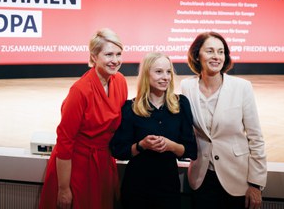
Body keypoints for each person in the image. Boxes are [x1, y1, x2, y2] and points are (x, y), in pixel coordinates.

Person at [38, 28, 128, 209]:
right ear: (94, 57)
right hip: (76, 168)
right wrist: (64, 188)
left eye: (119, 54)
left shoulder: (120, 81)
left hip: (102, 163)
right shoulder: (80, 91)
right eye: (109, 54)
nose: (116, 60)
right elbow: (64, 142)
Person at [180, 31, 267, 209]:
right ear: (197, 55)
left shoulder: (242, 87)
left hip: (237, 179)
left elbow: (256, 138)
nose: (216, 56)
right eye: (210, 51)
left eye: (221, 52)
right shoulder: (187, 87)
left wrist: (256, 184)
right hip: (201, 179)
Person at [110, 52, 197, 209]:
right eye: (158, 71)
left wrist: (171, 146)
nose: (165, 77)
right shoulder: (130, 108)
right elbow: (118, 150)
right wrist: (142, 145)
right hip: (136, 190)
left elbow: (191, 150)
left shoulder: (181, 104)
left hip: (168, 190)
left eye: (168, 71)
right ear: (146, 75)